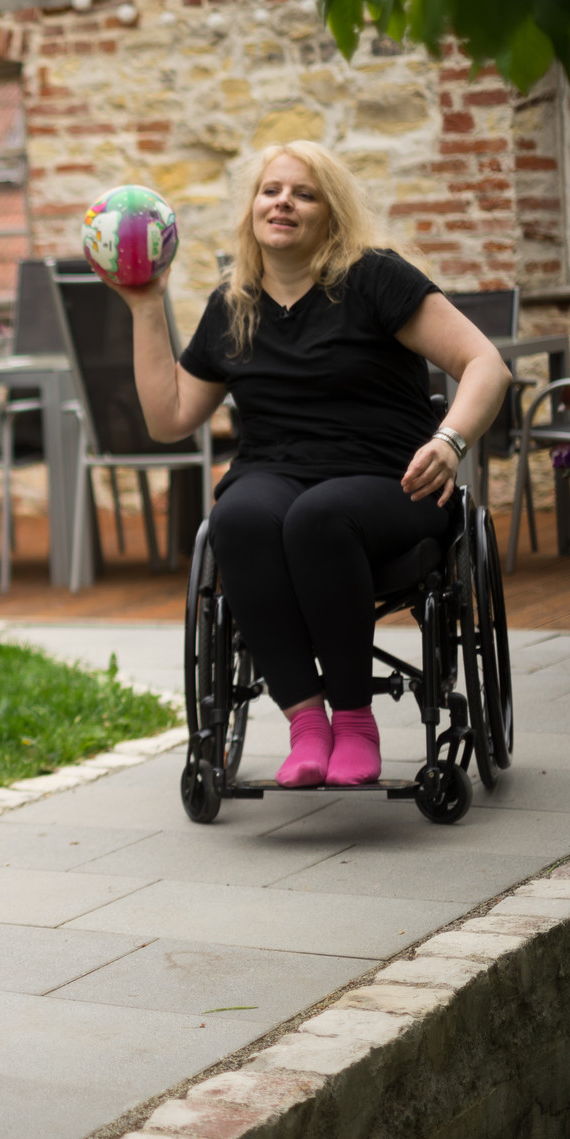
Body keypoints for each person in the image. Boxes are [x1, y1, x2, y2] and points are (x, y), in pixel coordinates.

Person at [113, 140, 509, 787]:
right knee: (237, 519)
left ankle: (354, 720)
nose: (283, 203)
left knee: (316, 518)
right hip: (275, 470)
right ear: (251, 209)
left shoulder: (375, 279)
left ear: (331, 212)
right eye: (271, 190)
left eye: (304, 192)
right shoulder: (233, 305)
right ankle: (306, 723)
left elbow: (484, 363)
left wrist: (451, 441)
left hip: (390, 478)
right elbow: (169, 417)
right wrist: (144, 303)